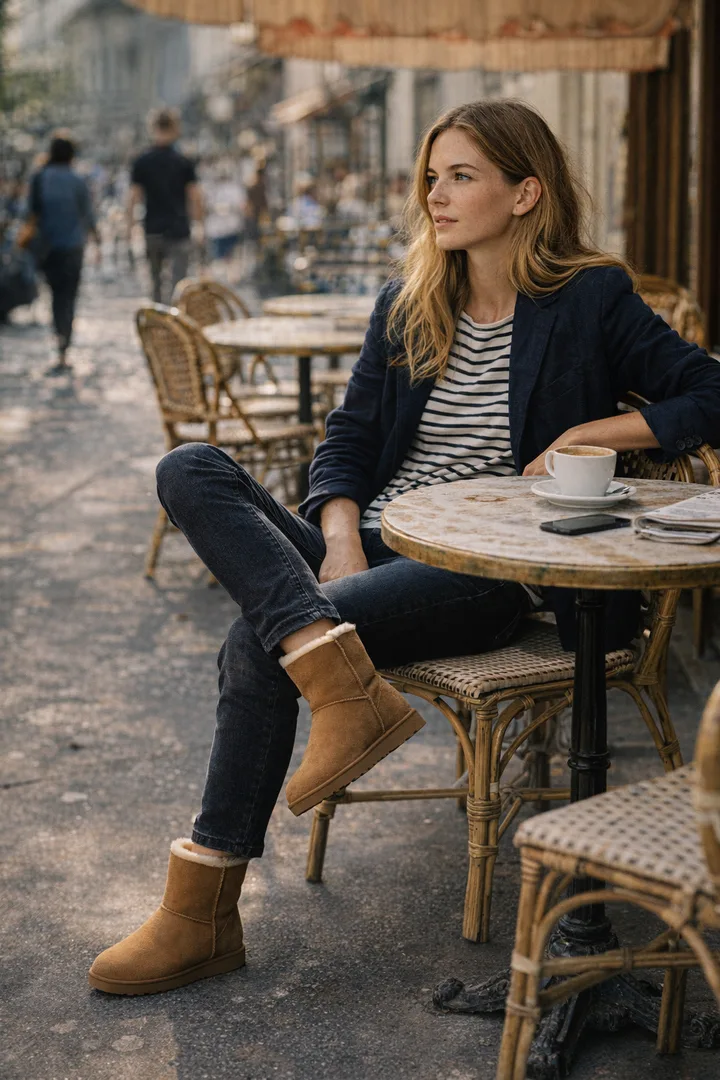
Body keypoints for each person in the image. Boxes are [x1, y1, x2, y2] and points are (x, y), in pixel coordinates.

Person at [89, 99, 720, 996]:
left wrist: (596, 431)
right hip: (375, 542)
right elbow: (346, 442)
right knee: (189, 467)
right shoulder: (409, 301)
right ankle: (334, 673)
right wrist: (340, 537)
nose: (435, 196)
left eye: (461, 176)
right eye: (431, 177)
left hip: (481, 568)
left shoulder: (589, 299)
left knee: (255, 642)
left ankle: (203, 914)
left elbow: (709, 392)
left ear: (526, 192)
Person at [23, 133, 99, 373]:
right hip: (73, 248)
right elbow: (88, 215)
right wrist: (97, 241)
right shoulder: (77, 180)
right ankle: (65, 344)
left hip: (48, 248)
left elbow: (29, 214)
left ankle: (59, 340)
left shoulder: (39, 177)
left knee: (55, 296)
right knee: (69, 297)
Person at [128, 107, 204, 304]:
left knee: (155, 284)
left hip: (152, 229)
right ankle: (175, 318)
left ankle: (158, 319)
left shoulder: (142, 161)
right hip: (179, 229)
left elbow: (133, 198)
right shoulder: (183, 161)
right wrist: (199, 225)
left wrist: (130, 228)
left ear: (153, 128)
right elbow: (195, 197)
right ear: (175, 128)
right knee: (179, 285)